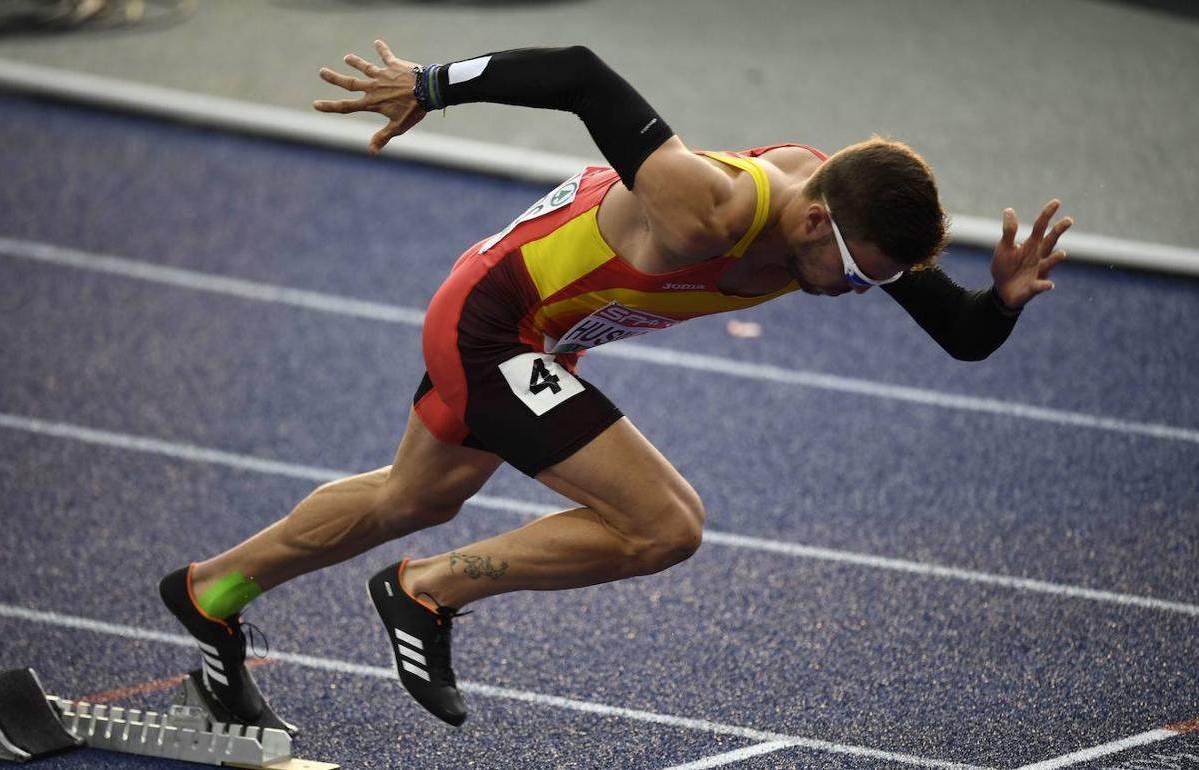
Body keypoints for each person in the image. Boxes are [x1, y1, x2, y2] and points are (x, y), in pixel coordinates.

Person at [159, 41, 1072, 729]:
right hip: (492, 324)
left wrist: (1000, 299)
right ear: (814, 222)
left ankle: (212, 592)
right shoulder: (711, 208)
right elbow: (579, 75)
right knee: (666, 525)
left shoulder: (843, 224)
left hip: (544, 336)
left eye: (882, 280)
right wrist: (430, 86)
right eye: (862, 274)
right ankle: (426, 591)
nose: (862, 292)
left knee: (413, 496)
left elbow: (962, 336)